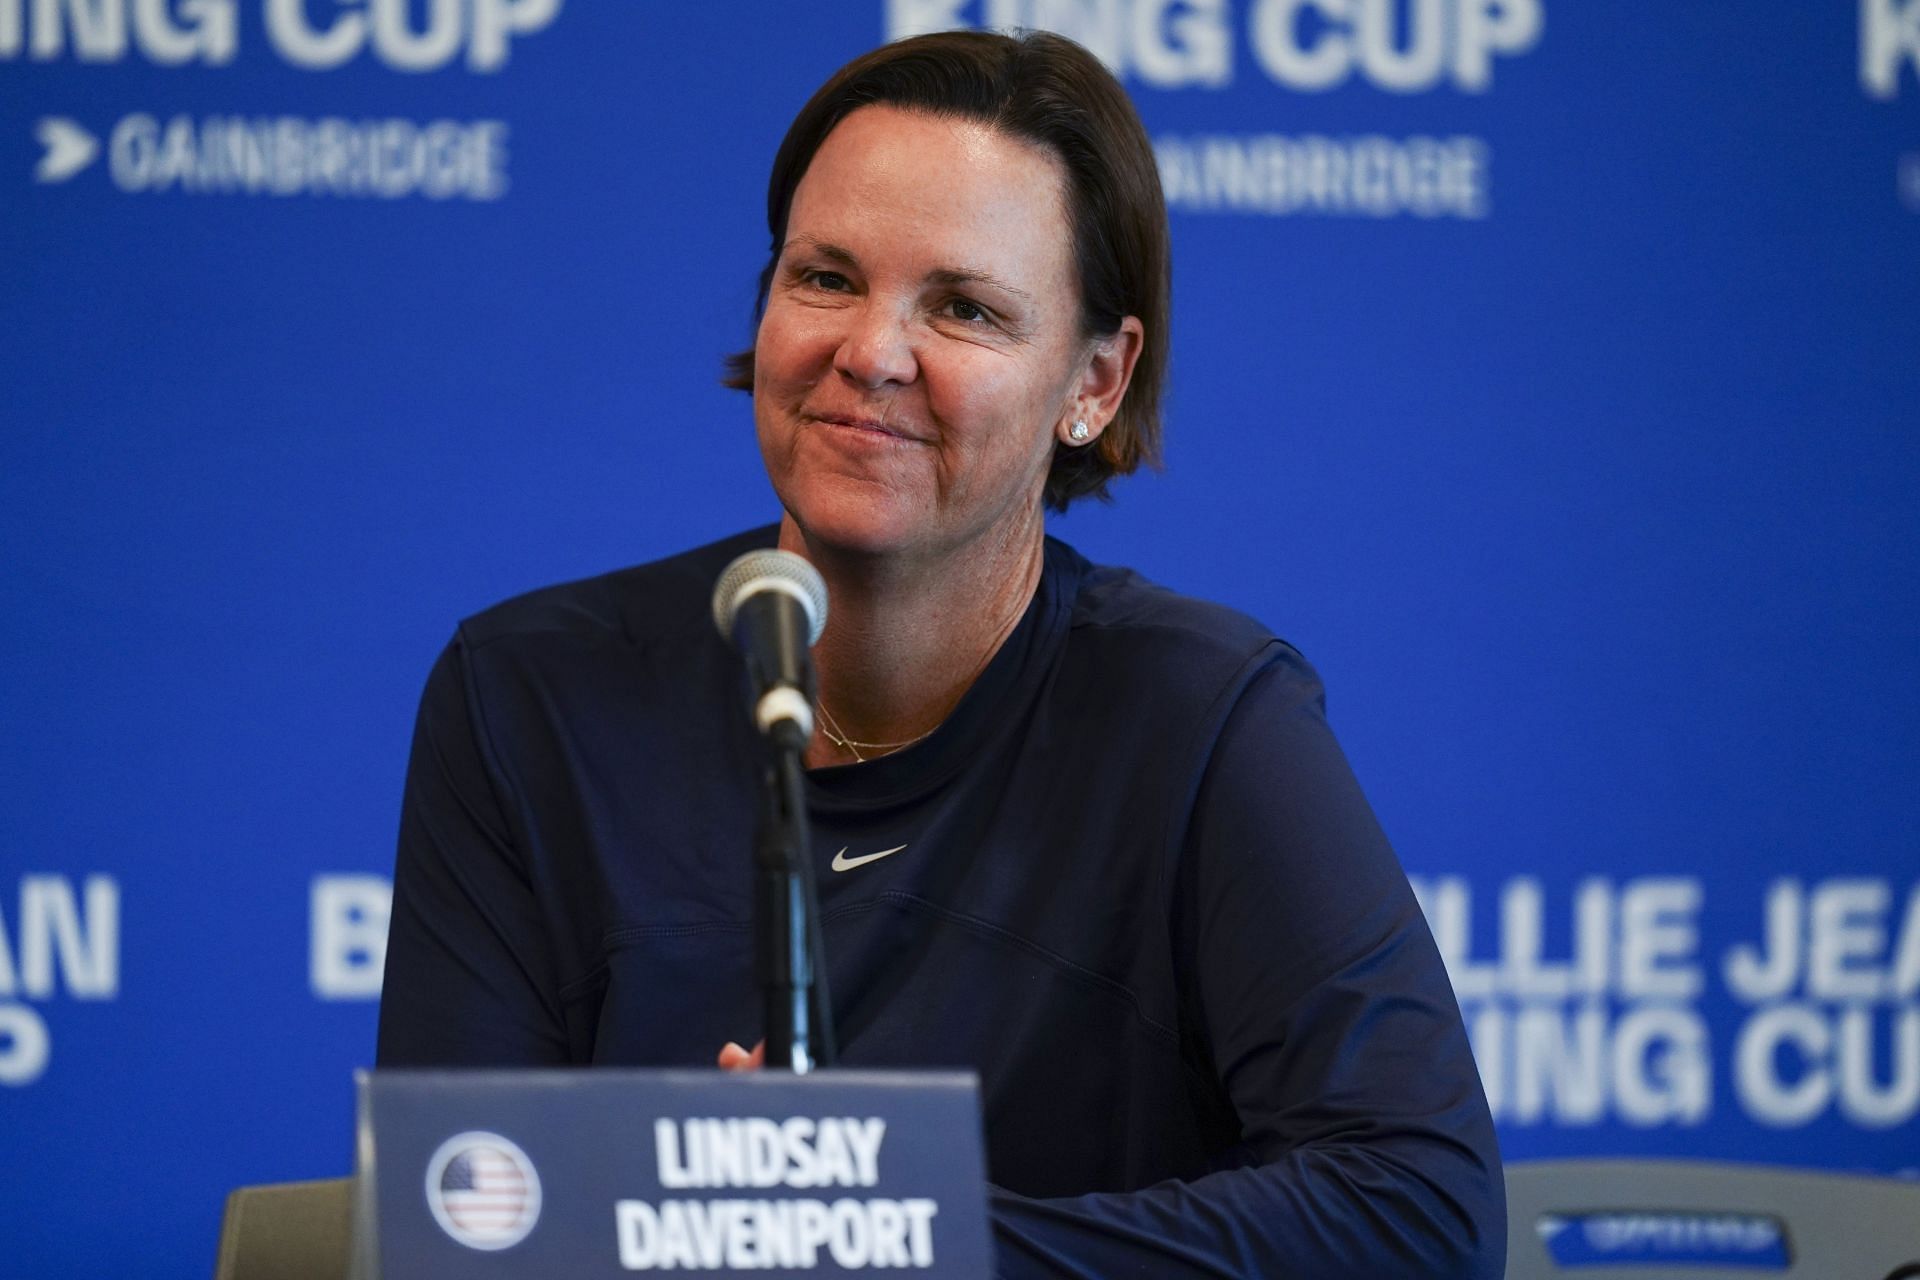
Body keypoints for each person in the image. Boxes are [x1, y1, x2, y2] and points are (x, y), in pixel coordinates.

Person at [377, 29, 1505, 1278]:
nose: (873, 350)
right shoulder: (530, 692)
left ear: (1094, 381)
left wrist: (896, 1233)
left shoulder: (1200, 717)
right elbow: (462, 1215)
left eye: (963, 305)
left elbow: (1419, 1214)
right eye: (824, 277)